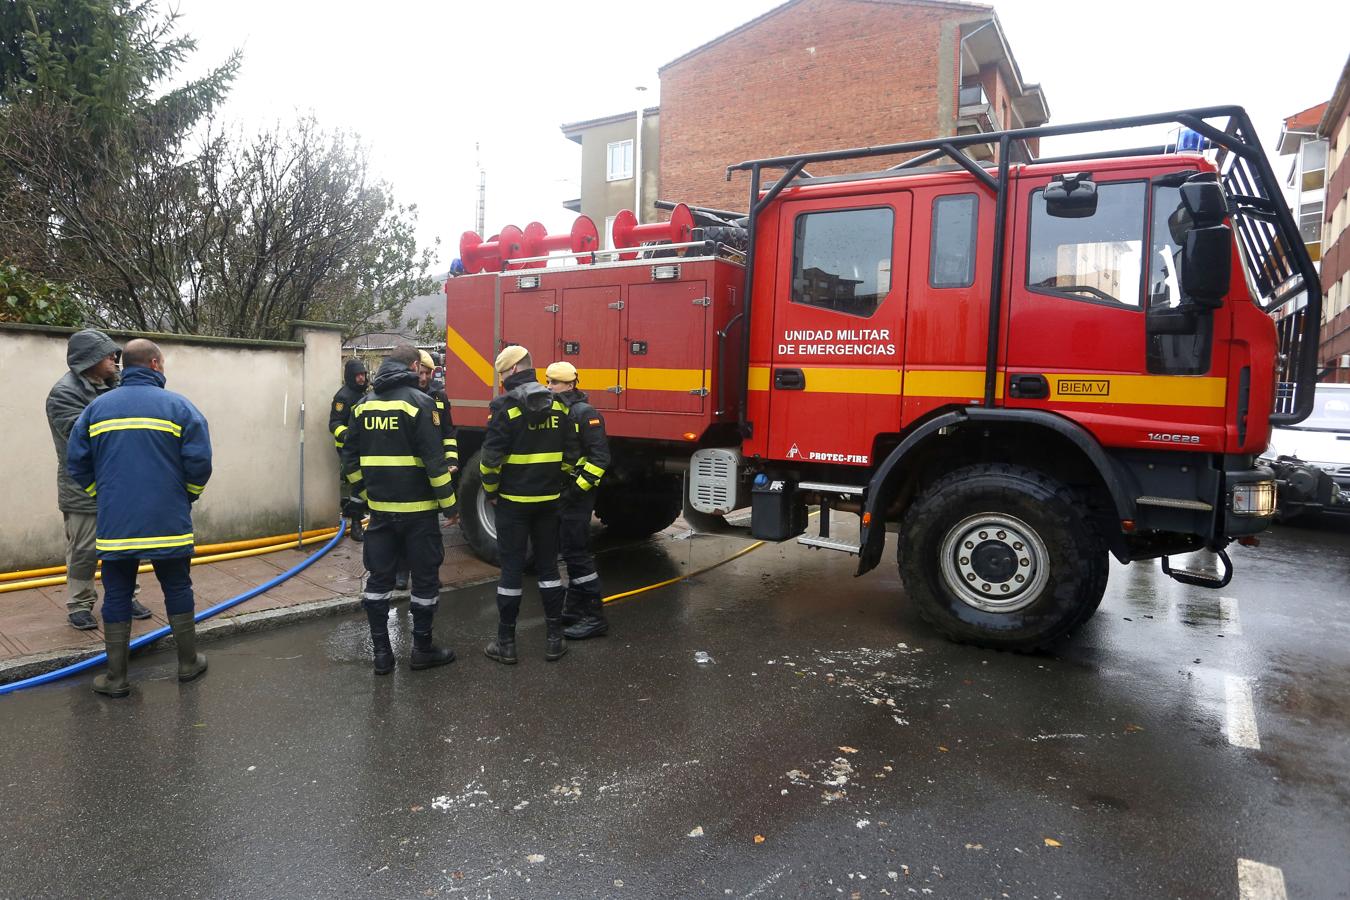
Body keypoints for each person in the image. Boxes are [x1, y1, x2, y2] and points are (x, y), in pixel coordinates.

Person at [66, 339, 213, 698]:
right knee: (177, 587)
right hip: (169, 521)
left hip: (118, 524)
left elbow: (77, 463)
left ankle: (116, 678)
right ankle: (188, 663)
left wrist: (103, 497)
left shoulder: (97, 409)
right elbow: (201, 463)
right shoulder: (180, 407)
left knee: (116, 590)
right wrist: (187, 495)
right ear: (154, 364)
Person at [341, 344, 457, 675]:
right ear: (412, 366)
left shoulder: (363, 406)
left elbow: (349, 458)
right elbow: (435, 462)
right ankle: (422, 650)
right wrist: (449, 505)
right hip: (419, 513)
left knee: (379, 580)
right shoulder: (421, 403)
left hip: (380, 513)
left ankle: (382, 656)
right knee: (424, 580)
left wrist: (365, 491)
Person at [46, 329, 153, 630]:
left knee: (126, 545)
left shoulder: (118, 385)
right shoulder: (64, 393)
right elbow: (84, 439)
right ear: (88, 360)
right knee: (84, 549)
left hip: (120, 485)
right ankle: (79, 604)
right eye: (107, 354)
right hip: (82, 487)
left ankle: (126, 596)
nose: (114, 359)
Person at [480, 345, 577, 664]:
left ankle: (505, 643)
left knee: (511, 570)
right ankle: (554, 640)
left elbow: (490, 462)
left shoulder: (503, 408)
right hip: (548, 503)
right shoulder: (561, 406)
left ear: (510, 372)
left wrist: (492, 492)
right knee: (549, 570)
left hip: (512, 505)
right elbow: (571, 456)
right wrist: (557, 485)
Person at [545, 362, 611, 640]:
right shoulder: (558, 411)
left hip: (577, 496)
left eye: (555, 383)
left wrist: (576, 490)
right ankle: (572, 610)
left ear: (571, 385)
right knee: (569, 553)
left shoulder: (585, 414)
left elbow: (600, 459)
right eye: (548, 382)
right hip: (564, 493)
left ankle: (595, 617)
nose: (550, 387)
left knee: (577, 554)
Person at [389, 350, 461, 594]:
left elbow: (448, 432)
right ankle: (402, 572)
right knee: (403, 527)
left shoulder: (439, 397)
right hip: (410, 472)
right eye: (420, 372)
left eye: (427, 373)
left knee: (430, 529)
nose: (423, 377)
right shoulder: (403, 396)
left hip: (433, 468)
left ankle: (430, 571)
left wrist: (451, 459)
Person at [330, 357, 369, 541]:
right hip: (348, 451)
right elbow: (334, 423)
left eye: (363, 374)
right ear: (350, 376)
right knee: (357, 486)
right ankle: (355, 525)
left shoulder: (364, 395)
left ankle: (360, 516)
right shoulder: (342, 397)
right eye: (358, 375)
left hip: (364, 449)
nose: (361, 378)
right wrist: (347, 436)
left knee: (362, 486)